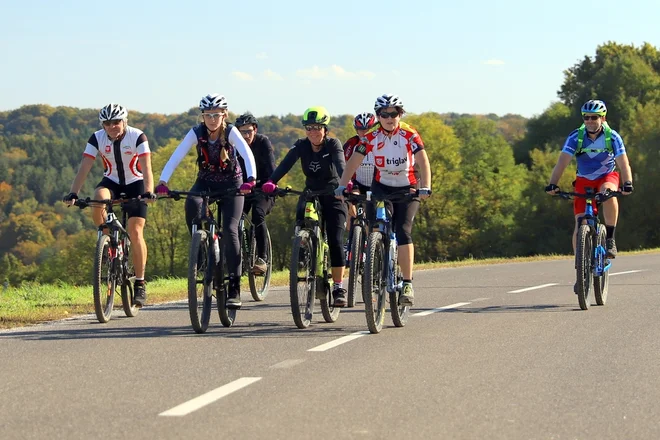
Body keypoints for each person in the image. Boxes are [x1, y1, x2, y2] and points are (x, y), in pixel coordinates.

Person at [155, 94, 257, 308]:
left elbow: (247, 154)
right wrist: (163, 181)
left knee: (230, 229)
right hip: (205, 183)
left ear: (224, 115)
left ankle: (235, 287)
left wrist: (251, 179)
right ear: (202, 116)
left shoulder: (231, 132)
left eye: (216, 115)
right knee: (192, 205)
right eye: (208, 115)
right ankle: (201, 250)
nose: (212, 119)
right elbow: (176, 156)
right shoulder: (196, 133)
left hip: (232, 184)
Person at [336, 94, 432, 307]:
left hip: (408, 188)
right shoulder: (371, 136)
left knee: (403, 230)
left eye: (394, 113)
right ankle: (376, 261)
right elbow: (354, 161)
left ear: (401, 114)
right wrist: (342, 186)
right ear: (378, 116)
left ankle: (407, 282)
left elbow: (422, 160)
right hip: (382, 187)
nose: (389, 118)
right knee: (376, 226)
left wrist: (426, 186)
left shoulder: (409, 133)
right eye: (384, 114)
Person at [63, 103, 155, 306]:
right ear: (102, 125)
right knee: (98, 198)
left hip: (136, 184)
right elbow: (85, 166)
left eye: (116, 122)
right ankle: (106, 241)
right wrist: (73, 193)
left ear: (125, 121)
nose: (112, 126)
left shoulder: (138, 136)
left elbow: (147, 168)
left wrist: (149, 191)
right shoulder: (97, 138)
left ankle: (140, 283)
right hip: (111, 181)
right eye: (107, 123)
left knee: (136, 231)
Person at [261, 107, 349, 307]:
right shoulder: (301, 145)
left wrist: (345, 184)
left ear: (325, 129)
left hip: (333, 194)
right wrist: (271, 182)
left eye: (317, 127)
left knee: (335, 239)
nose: (313, 132)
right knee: (300, 216)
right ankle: (304, 251)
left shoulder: (333, 144)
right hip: (311, 192)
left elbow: (341, 164)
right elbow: (285, 164)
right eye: (309, 128)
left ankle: (338, 287)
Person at [545, 99, 633, 270]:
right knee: (580, 224)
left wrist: (628, 183)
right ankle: (580, 268)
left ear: (603, 118)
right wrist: (552, 184)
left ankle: (610, 239)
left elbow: (623, 163)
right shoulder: (575, 137)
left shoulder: (612, 137)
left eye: (594, 117)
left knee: (608, 192)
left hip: (607, 176)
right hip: (584, 180)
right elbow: (562, 162)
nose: (590, 121)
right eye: (586, 117)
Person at [235, 112, 276, 275]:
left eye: (248, 131)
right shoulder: (234, 145)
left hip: (264, 189)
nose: (245, 136)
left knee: (258, 214)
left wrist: (271, 183)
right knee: (232, 218)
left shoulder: (263, 142)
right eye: (241, 132)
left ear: (255, 130)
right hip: (241, 190)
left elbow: (272, 168)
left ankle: (262, 258)